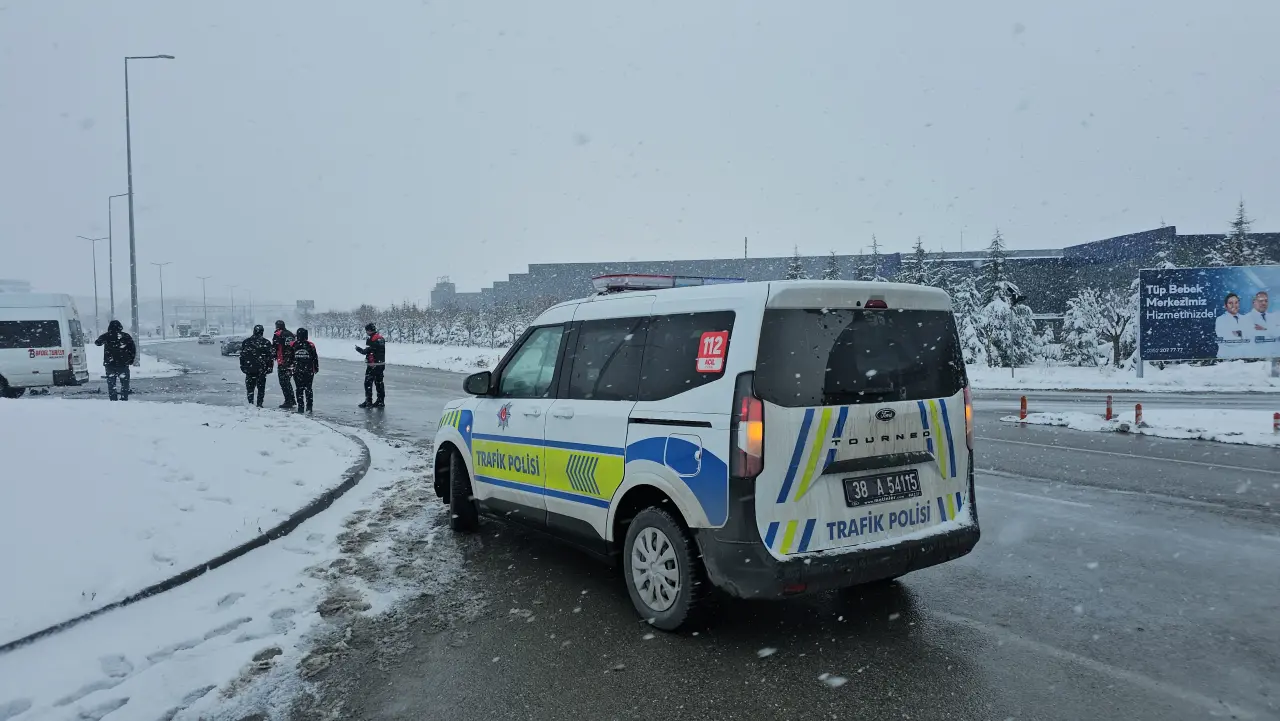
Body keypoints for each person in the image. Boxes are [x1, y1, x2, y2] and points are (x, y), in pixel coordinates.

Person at [94, 319, 137, 401]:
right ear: (120, 327)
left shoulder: (107, 336)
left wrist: (105, 338)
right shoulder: (125, 336)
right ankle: (124, 399)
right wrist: (131, 359)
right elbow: (132, 349)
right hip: (123, 364)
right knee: (125, 384)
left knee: (111, 384)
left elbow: (97, 343)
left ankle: (113, 399)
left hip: (110, 364)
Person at [239, 324, 275, 407]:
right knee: (261, 388)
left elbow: (242, 356)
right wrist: (269, 368)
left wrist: (243, 366)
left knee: (250, 388)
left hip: (249, 369)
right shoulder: (266, 342)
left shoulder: (246, 342)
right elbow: (270, 357)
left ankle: (250, 402)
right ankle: (259, 404)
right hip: (261, 369)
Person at [355, 323, 386, 408]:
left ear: (369, 330)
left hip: (373, 365)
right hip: (381, 364)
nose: (366, 332)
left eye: (366, 331)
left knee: (368, 383)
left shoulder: (371, 339)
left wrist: (359, 349)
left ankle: (368, 402)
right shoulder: (381, 338)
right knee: (379, 383)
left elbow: (367, 351)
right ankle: (380, 401)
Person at [290, 328, 319, 414]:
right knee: (308, 389)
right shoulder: (310, 345)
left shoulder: (293, 344)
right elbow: (315, 357)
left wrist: (290, 368)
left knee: (299, 389)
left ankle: (300, 407)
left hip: (297, 370)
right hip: (308, 370)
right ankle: (309, 407)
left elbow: (290, 357)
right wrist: (316, 368)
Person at [1214, 293, 1250, 359]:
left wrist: (1236, 333)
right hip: (1226, 359)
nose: (1234, 305)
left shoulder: (1245, 319)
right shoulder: (1220, 320)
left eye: (1236, 302)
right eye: (1230, 303)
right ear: (1225, 306)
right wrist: (1242, 335)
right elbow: (1228, 339)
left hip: (1244, 359)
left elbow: (1249, 337)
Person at [272, 320, 297, 408]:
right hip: (292, 361)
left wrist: (273, 356)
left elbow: (274, 347)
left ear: (277, 326)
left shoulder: (278, 334)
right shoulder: (291, 334)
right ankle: (292, 399)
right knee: (287, 381)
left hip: (282, 361)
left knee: (283, 382)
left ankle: (288, 400)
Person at [1246, 290, 1273, 356]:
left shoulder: (1273, 317)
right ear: (1254, 303)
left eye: (1266, 301)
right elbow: (1251, 337)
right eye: (1260, 301)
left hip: (1273, 356)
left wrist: (1264, 329)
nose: (1264, 303)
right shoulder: (1246, 319)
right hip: (1254, 357)